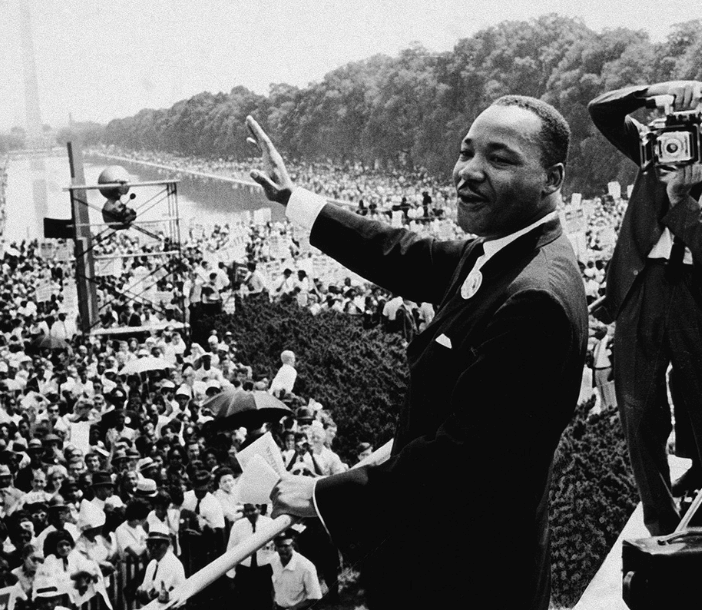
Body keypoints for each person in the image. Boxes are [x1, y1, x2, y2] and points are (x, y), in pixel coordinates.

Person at [246, 94, 588, 610]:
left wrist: (321, 495)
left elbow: (459, 466)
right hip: (457, 562)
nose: (469, 171)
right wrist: (293, 197)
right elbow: (396, 253)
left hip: (467, 578)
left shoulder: (533, 297)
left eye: (499, 158)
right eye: (466, 151)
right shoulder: (499, 251)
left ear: (552, 179)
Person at [588, 80, 702, 535]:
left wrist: (681, 202)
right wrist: (657, 91)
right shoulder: (656, 146)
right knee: (639, 413)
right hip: (642, 286)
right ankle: (661, 518)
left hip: (697, 292)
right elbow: (601, 111)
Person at [268, 531, 321, 610]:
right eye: (279, 546)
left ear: (293, 545)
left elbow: (314, 597)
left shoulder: (306, 566)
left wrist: (294, 608)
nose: (282, 549)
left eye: (286, 546)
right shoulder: (272, 561)